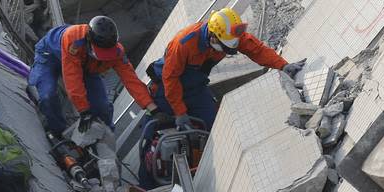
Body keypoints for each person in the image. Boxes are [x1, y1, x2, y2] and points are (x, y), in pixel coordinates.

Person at [149, 7, 305, 130]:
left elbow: (255, 49)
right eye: (223, 48)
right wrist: (180, 112)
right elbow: (170, 78)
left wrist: (283, 65)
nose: (224, 51)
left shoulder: (230, 35)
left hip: (196, 89)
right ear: (213, 36)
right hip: (166, 89)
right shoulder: (183, 43)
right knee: (162, 128)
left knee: (213, 124)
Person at [28, 16, 170, 136]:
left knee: (102, 107)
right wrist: (84, 111)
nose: (104, 57)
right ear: (89, 41)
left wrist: (153, 108)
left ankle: (107, 136)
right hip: (50, 57)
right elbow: (73, 78)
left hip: (86, 64)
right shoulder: (73, 40)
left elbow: (131, 80)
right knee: (47, 95)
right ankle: (58, 131)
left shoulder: (116, 52)